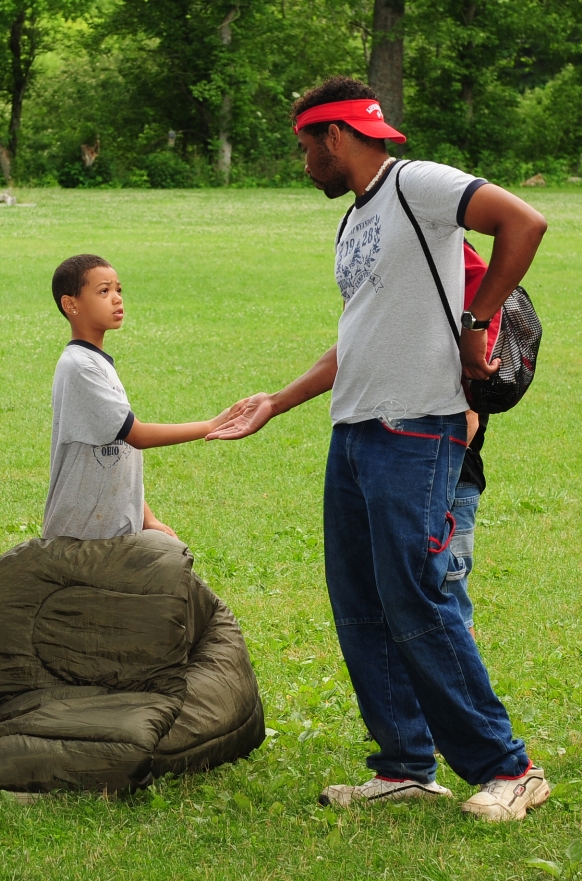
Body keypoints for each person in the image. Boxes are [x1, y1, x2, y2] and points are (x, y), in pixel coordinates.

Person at [207, 76, 550, 821]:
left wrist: (475, 321)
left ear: (336, 136)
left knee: (415, 595)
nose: (303, 165)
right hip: (357, 427)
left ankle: (509, 767)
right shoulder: (355, 221)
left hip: (415, 426)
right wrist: (279, 399)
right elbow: (359, 333)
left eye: (305, 147)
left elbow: (523, 222)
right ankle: (404, 765)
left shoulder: (415, 184)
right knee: (361, 602)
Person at [44, 254, 244, 541]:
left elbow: (118, 450)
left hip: (111, 532)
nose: (116, 299)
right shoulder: (80, 367)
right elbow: (137, 435)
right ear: (70, 304)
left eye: (118, 290)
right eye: (104, 291)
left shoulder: (95, 362)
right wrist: (211, 425)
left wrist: (146, 517)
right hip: (83, 538)